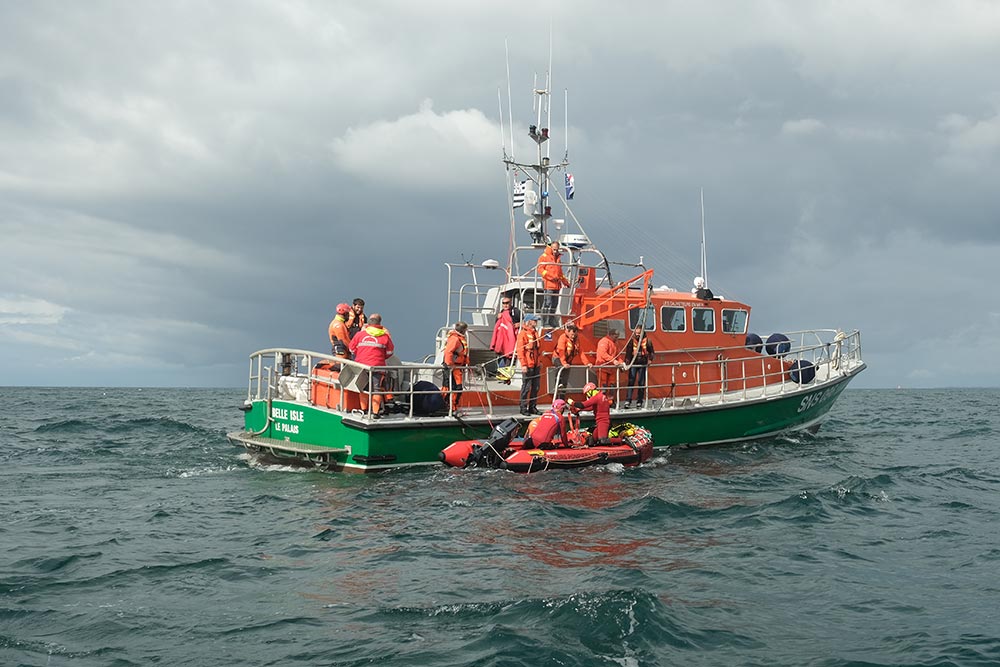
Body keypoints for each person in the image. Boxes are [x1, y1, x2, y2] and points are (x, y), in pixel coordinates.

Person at [348, 313, 394, 416]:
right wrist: (380, 357)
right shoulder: (385, 336)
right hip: (377, 367)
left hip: (361, 367)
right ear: (379, 323)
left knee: (363, 388)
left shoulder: (360, 335)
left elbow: (351, 348)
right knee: (377, 390)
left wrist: (360, 354)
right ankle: (375, 412)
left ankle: (364, 410)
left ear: (368, 323)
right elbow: (390, 353)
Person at [554, 323, 592, 397]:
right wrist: (564, 363)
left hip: (568, 361)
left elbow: (581, 352)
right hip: (558, 358)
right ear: (567, 331)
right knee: (560, 374)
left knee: (565, 382)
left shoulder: (576, 340)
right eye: (572, 334)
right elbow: (561, 352)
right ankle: (556, 394)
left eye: (574, 334)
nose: (573, 336)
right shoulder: (562, 338)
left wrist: (587, 363)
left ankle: (562, 400)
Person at [537, 241, 570, 326]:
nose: (555, 251)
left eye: (557, 249)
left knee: (554, 304)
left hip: (557, 285)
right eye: (554, 249)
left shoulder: (558, 258)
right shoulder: (544, 257)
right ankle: (545, 322)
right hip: (548, 284)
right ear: (551, 248)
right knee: (547, 303)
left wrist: (566, 283)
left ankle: (551, 321)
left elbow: (560, 273)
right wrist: (551, 277)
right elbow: (540, 269)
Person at [623, 325, 655, 408]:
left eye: (639, 333)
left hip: (642, 364)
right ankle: (628, 400)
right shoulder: (631, 341)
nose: (637, 335)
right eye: (636, 333)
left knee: (641, 383)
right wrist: (626, 363)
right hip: (633, 364)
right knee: (631, 382)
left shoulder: (648, 341)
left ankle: (639, 401)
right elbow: (628, 353)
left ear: (642, 333)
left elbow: (651, 352)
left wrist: (650, 360)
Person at [516, 314, 541, 415]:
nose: (536, 322)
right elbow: (520, 350)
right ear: (529, 321)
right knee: (526, 387)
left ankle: (533, 407)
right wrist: (523, 364)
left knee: (536, 387)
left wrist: (540, 362)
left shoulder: (535, 333)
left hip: (536, 364)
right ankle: (523, 408)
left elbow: (538, 349)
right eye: (534, 320)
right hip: (528, 364)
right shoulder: (523, 334)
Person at [442, 321, 469, 413]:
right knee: (452, 387)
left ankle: (452, 406)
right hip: (452, 368)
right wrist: (450, 365)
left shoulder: (457, 338)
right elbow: (448, 352)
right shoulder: (455, 339)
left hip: (457, 368)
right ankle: (449, 406)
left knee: (457, 388)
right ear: (463, 330)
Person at [490, 297, 519, 368]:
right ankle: (501, 372)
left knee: (508, 359)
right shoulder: (501, 313)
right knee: (501, 359)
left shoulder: (516, 311)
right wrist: (498, 318)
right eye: (503, 303)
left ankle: (506, 374)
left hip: (512, 339)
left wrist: (519, 324)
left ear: (510, 303)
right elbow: (497, 327)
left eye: (507, 303)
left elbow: (523, 321)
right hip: (501, 340)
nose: (505, 305)